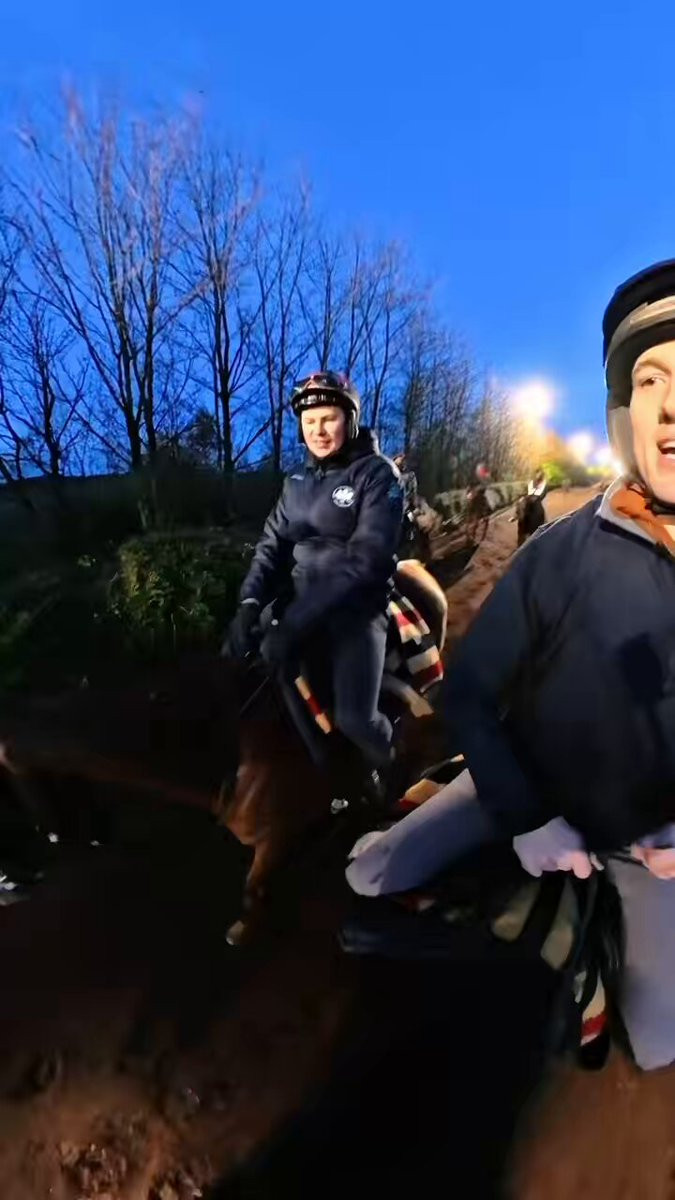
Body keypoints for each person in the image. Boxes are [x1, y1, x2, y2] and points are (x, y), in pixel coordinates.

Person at [347, 260, 675, 1070]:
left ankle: (597, 929)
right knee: (372, 873)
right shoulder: (558, 552)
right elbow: (469, 690)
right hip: (529, 781)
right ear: (622, 414)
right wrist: (525, 814)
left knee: (658, 1044)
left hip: (647, 840)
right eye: (650, 379)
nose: (672, 405)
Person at [223, 370, 404, 785]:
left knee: (354, 716)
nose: (318, 431)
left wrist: (293, 624)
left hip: (356, 608)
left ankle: (392, 766)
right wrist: (248, 604)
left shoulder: (378, 475)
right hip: (300, 602)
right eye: (309, 422)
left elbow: (366, 560)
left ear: (350, 420)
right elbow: (271, 545)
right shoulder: (296, 483)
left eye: (328, 419)